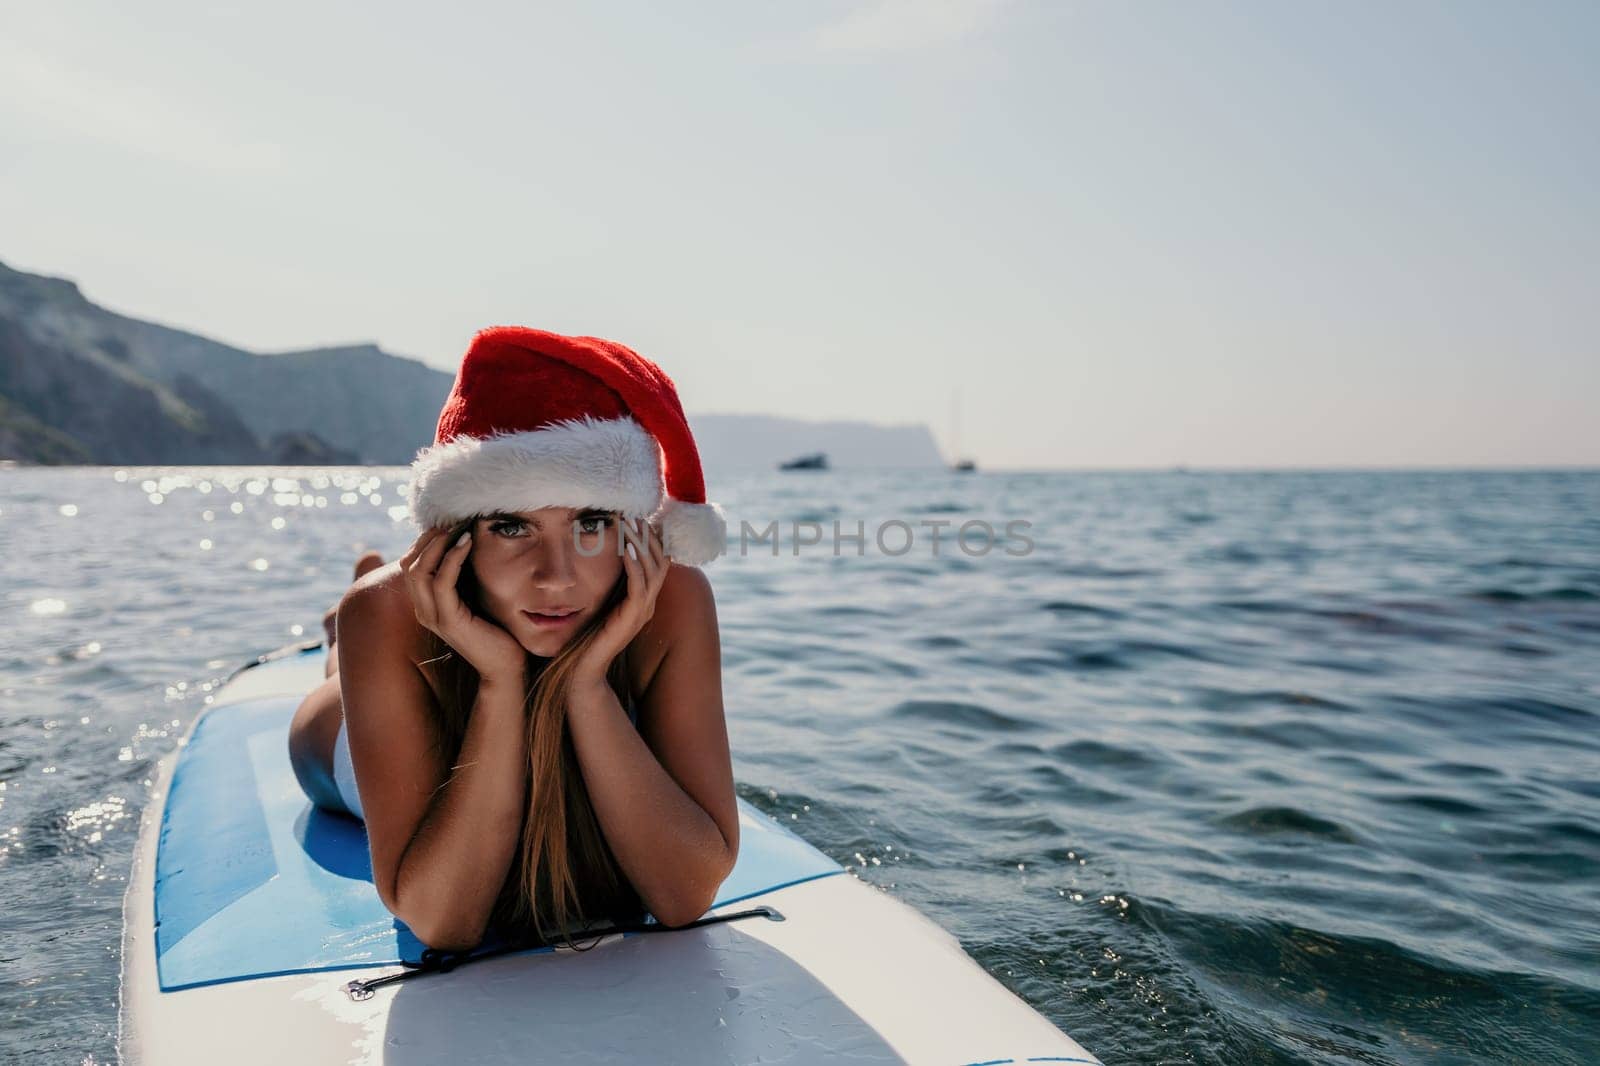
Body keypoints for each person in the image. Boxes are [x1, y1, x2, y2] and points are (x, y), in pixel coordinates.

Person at [287, 326, 736, 954]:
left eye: (592, 523)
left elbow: (684, 898)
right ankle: (341, 635)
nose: (556, 577)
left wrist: (586, 683)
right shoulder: (388, 618)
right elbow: (442, 923)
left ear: (633, 529)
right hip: (349, 738)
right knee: (338, 678)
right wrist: (500, 682)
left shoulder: (672, 597)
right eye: (510, 526)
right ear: (458, 536)